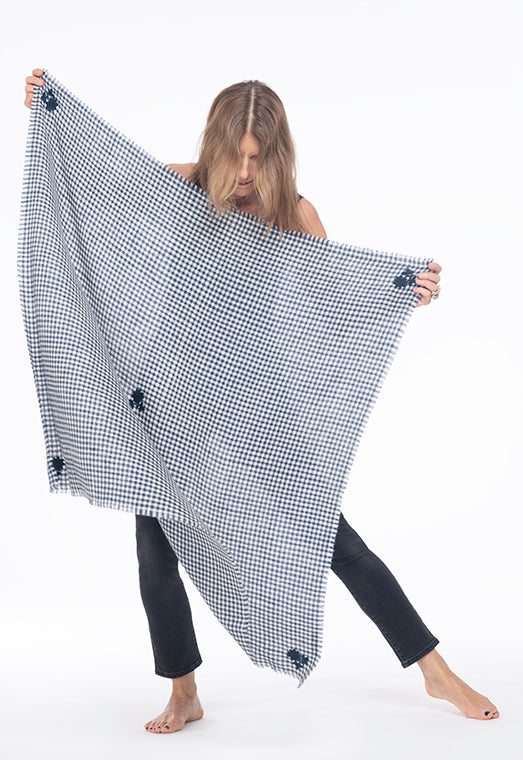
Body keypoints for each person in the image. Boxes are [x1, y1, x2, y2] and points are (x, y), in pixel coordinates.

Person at [24, 68, 499, 733]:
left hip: (259, 404)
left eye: (257, 158)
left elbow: (337, 306)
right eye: (235, 155)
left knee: (330, 537)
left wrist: (403, 294)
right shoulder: (176, 187)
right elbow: (88, 187)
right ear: (214, 145)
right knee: (156, 551)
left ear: (275, 155)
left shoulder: (293, 215)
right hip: (168, 398)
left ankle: (434, 669)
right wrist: (50, 112)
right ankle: (183, 692)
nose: (244, 172)